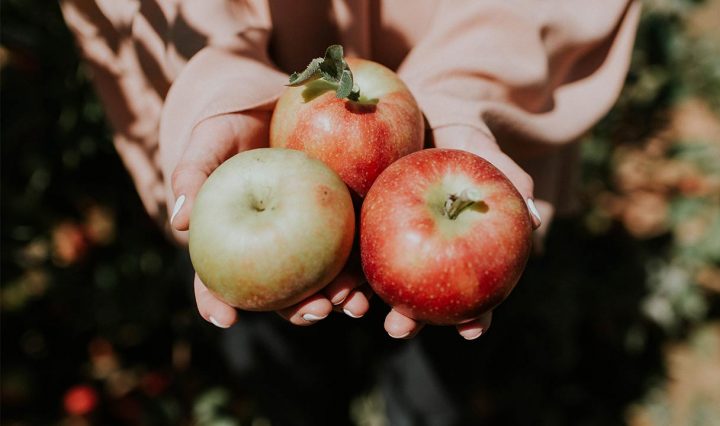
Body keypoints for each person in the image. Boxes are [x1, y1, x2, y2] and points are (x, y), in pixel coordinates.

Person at [62, 0, 640, 422]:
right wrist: (222, 75)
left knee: (442, 365)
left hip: (454, 157)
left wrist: (465, 96)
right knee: (284, 364)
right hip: (267, 159)